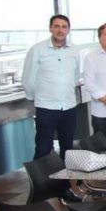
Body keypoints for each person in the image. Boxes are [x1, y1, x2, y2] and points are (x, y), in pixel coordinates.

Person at [22, 14, 81, 161]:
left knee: (67, 148)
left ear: (68, 30)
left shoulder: (74, 50)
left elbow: (75, 77)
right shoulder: (37, 50)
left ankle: (66, 176)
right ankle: (41, 177)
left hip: (68, 107)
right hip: (46, 108)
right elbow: (28, 79)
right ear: (50, 28)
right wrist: (37, 98)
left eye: (64, 27)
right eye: (57, 26)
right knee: (43, 148)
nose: (60, 30)